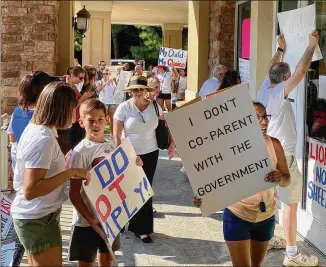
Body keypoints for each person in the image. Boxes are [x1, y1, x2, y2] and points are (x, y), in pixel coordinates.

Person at [194, 101, 291, 267]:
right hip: (237, 215)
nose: (264, 122)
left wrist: (279, 177)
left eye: (265, 117)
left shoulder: (274, 144)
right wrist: (203, 198)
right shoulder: (227, 148)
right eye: (257, 117)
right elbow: (214, 181)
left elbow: (287, 180)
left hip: (266, 216)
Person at [11, 82, 91, 266]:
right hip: (37, 219)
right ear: (61, 108)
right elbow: (31, 190)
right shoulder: (42, 139)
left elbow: (44, 170)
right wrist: (70, 172)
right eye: (73, 107)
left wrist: (64, 163)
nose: (76, 112)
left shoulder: (43, 131)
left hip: (41, 217)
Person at [257, 31, 319, 266]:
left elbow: (270, 69)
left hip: (268, 153)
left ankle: (271, 237)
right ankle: (292, 254)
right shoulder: (279, 92)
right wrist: (311, 45)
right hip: (284, 158)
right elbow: (301, 72)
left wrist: (281, 49)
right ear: (285, 79)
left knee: (273, 199)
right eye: (288, 77)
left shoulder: (264, 89)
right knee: (291, 205)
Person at [67, 98, 142, 267]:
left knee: (107, 259)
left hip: (109, 219)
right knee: (86, 263)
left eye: (100, 119)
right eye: (91, 120)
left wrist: (135, 165)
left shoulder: (113, 148)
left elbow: (124, 180)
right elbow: (73, 194)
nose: (96, 124)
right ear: (81, 122)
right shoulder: (80, 152)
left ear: (107, 120)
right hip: (86, 222)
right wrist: (90, 218)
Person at [113, 76, 175, 243]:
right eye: (135, 89)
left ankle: (142, 229)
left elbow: (167, 124)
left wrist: (172, 143)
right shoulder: (124, 108)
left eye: (141, 88)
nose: (138, 92)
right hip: (130, 154)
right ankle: (122, 220)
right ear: (131, 91)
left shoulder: (155, 106)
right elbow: (116, 135)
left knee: (144, 190)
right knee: (127, 189)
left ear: (147, 90)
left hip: (151, 152)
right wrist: (124, 155)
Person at [6, 72, 55, 169]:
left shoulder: (17, 111)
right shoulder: (45, 114)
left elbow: (12, 138)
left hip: (19, 162)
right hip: (37, 164)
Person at [66, 66, 94, 150]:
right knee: (74, 147)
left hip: (78, 119)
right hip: (72, 121)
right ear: (72, 75)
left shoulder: (73, 87)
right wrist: (83, 98)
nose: (82, 80)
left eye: (83, 78)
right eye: (80, 78)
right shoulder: (68, 88)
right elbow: (72, 106)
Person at [96, 67, 118, 135]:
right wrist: (105, 84)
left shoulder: (112, 82)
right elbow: (97, 90)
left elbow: (117, 91)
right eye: (103, 74)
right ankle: (100, 134)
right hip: (103, 102)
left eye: (107, 74)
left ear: (109, 74)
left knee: (112, 119)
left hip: (112, 102)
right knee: (102, 119)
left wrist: (116, 82)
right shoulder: (100, 82)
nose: (105, 75)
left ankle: (112, 134)